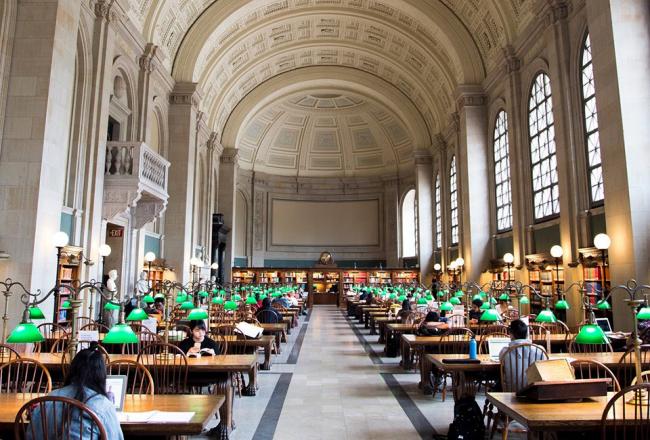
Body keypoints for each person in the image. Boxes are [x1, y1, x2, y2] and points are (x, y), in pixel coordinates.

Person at [27, 343, 124, 439]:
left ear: (72, 369)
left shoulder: (48, 399)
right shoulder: (103, 406)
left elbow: (31, 435)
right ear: (101, 375)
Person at [499, 319, 547, 391]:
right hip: (534, 392)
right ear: (527, 334)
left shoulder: (505, 351)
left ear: (511, 334)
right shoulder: (540, 350)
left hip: (511, 393)